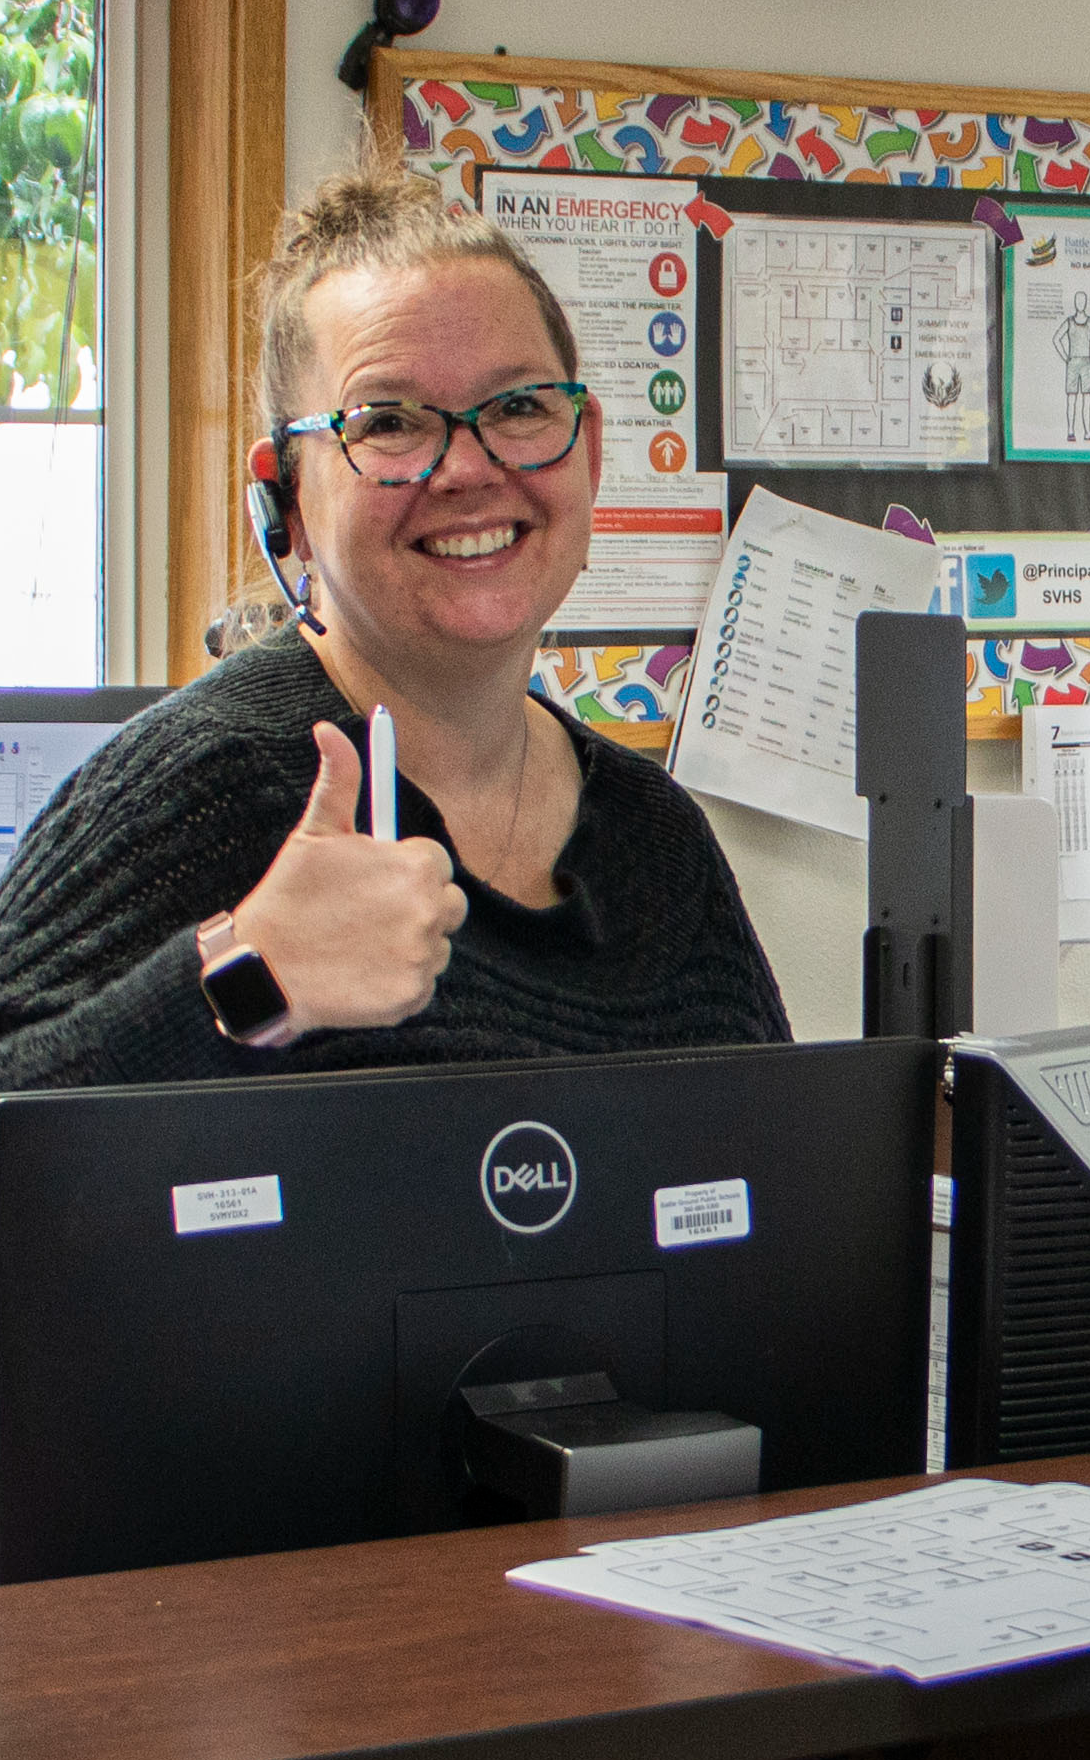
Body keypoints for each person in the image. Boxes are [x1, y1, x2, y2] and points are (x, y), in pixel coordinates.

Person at [0, 163, 788, 1084]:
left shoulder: (656, 837)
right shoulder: (202, 787)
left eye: (520, 407)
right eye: (389, 423)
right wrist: (248, 975)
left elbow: (776, 1174)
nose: (467, 468)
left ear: (591, 454)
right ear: (284, 494)